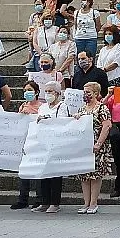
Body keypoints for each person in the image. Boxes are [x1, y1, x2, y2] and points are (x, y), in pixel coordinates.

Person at [75, 82, 112, 214]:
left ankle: (93, 202)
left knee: (95, 175)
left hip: (97, 146)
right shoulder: (81, 109)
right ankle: (86, 202)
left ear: (96, 93)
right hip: (84, 147)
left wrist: (99, 143)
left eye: (88, 92)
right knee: (84, 175)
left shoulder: (102, 108)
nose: (85, 95)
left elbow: (107, 125)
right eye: (84, 92)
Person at [33, 84, 69, 213]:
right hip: (43, 143)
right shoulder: (42, 107)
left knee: (55, 174)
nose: (48, 94)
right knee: (43, 173)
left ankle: (55, 203)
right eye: (46, 91)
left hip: (56, 143)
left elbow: (63, 122)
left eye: (51, 91)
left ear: (58, 93)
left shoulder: (62, 106)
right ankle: (45, 201)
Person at [9, 81, 43, 209]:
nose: (27, 93)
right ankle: (23, 199)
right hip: (24, 142)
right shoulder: (23, 105)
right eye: (25, 90)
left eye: (30, 90)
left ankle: (39, 198)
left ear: (36, 92)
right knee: (23, 171)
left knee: (38, 172)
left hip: (38, 142)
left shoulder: (42, 106)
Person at [73, 0, 102, 75]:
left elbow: (98, 25)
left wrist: (92, 33)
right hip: (79, 38)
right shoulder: (77, 12)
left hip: (91, 38)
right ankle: (79, 74)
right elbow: (76, 26)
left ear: (89, 2)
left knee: (90, 57)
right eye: (81, 0)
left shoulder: (95, 13)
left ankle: (91, 74)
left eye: (84, 0)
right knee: (79, 58)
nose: (82, 2)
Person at [24, 0, 46, 69]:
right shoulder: (33, 16)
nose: (38, 6)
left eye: (39, 4)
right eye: (36, 4)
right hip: (33, 37)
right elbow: (30, 26)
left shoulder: (46, 15)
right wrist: (29, 34)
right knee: (31, 52)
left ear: (44, 4)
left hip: (42, 37)